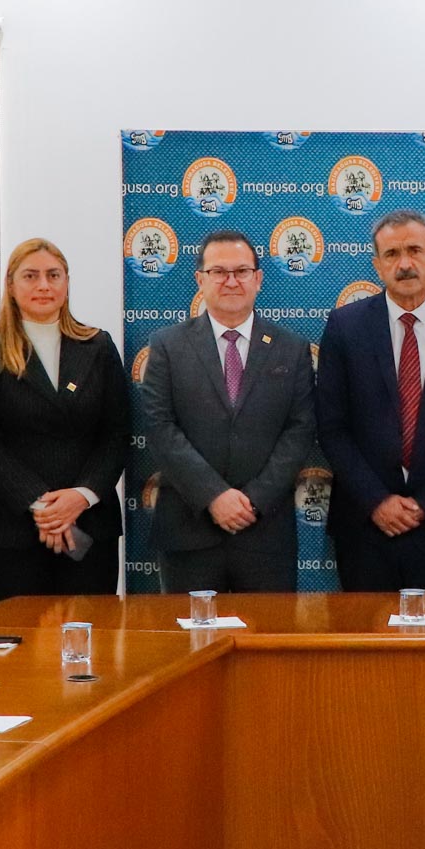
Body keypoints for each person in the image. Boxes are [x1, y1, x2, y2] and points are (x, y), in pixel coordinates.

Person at [316, 210, 425, 592]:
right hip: (364, 524)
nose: (404, 264)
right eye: (392, 254)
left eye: (414, 250)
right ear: (377, 264)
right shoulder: (345, 327)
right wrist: (377, 501)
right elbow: (332, 427)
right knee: (365, 630)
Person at [141, 230, 315, 593]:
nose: (231, 281)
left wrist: (254, 500)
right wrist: (214, 496)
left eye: (241, 271)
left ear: (258, 279)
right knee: (190, 630)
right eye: (219, 272)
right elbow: (160, 428)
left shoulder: (292, 348)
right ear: (200, 280)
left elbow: (299, 431)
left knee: (267, 630)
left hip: (265, 531)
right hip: (189, 531)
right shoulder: (167, 346)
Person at [0, 239, 128, 602]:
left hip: (89, 526)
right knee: (17, 636)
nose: (43, 285)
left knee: (91, 634)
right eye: (30, 276)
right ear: (10, 284)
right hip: (11, 530)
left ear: (67, 282)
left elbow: (116, 434)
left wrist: (81, 497)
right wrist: (43, 506)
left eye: (53, 275)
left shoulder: (98, 346)